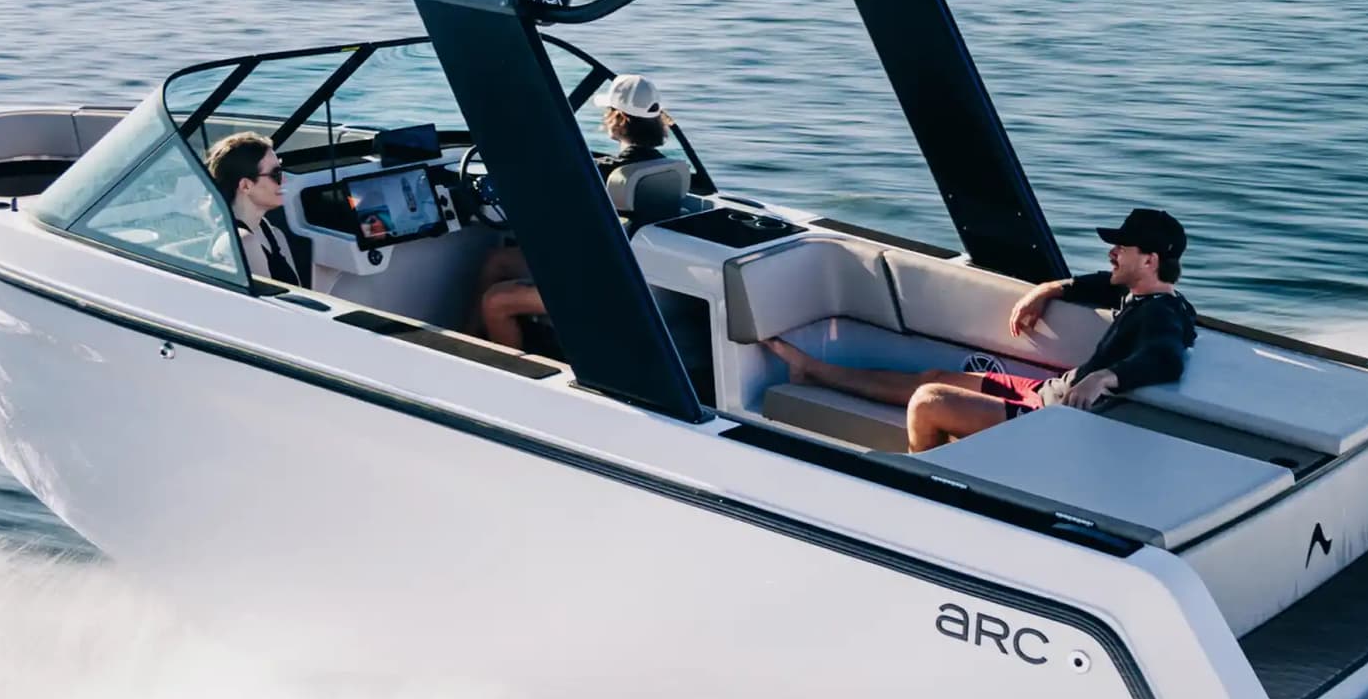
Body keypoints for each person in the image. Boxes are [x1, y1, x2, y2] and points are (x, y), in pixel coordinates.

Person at [763, 206, 1196, 452]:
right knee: (934, 378)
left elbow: (1166, 356)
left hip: (1048, 419)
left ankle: (922, 496)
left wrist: (1107, 375)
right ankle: (813, 371)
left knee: (927, 402)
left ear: (1150, 260)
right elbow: (1100, 285)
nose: (1112, 253)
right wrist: (1050, 288)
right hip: (1047, 392)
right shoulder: (1148, 295)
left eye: (1122, 247)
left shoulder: (1160, 316)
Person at [475, 74, 674, 348]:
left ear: (619, 118)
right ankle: (466, 339)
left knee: (495, 302)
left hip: (597, 287)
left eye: (608, 112)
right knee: (498, 260)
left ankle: (506, 375)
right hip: (623, 272)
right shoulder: (663, 169)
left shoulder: (606, 174)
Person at [205, 131, 308, 287]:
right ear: (246, 185)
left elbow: (300, 294)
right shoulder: (243, 242)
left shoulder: (271, 232)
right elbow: (267, 308)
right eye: (276, 174)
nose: (284, 180)